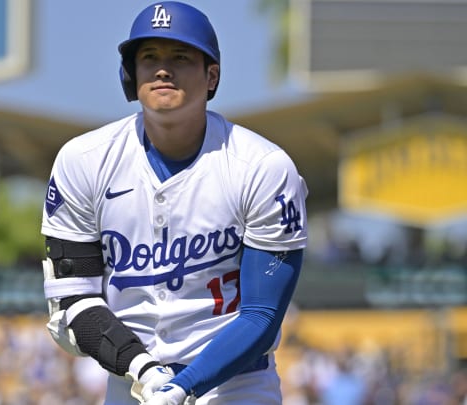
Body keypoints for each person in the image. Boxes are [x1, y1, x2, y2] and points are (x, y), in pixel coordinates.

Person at [40, 2, 308, 404]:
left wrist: (184, 386)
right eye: (149, 57)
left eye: (180, 57)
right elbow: (73, 303)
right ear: (131, 74)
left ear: (211, 74)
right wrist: (144, 372)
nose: (163, 69)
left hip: (235, 386)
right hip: (131, 380)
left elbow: (261, 317)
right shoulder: (83, 160)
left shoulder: (262, 167)